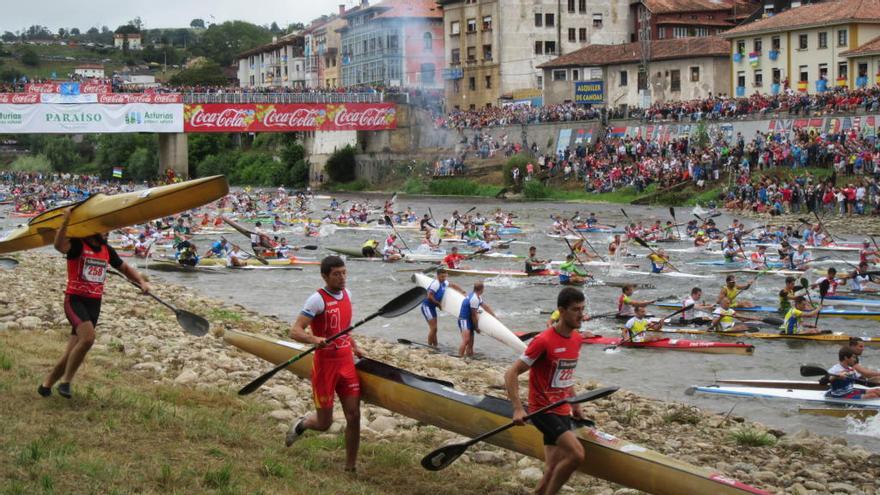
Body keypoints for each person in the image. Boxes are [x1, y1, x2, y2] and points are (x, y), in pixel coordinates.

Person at [39, 207, 150, 399]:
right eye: (103, 229)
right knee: (88, 339)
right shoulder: (77, 245)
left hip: (94, 304)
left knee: (71, 353)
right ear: (90, 229)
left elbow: (125, 268)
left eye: (108, 230)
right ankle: (65, 383)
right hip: (75, 301)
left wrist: (141, 281)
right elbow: (58, 246)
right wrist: (65, 223)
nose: (107, 232)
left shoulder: (107, 250)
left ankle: (46, 385)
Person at [505, 287, 590, 495]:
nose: (581, 314)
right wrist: (517, 409)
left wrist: (576, 405)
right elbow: (511, 373)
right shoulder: (543, 341)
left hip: (562, 410)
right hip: (542, 410)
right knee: (577, 455)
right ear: (561, 311)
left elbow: (565, 377)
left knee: (551, 469)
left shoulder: (577, 339)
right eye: (575, 310)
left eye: (583, 309)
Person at [285, 256, 363, 474]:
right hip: (325, 365)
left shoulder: (348, 294)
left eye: (344, 273)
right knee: (324, 423)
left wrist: (355, 346)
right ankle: (301, 424)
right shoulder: (316, 300)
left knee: (354, 416)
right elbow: (295, 331)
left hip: (346, 363)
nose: (342, 278)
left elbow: (345, 328)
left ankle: (350, 467)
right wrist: (314, 339)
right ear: (325, 276)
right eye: (336, 274)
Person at [422, 268, 465, 347]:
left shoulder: (444, 282)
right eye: (442, 277)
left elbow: (453, 285)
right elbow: (429, 296)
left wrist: (462, 291)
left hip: (432, 307)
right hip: (427, 307)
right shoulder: (436, 284)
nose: (444, 279)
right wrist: (438, 303)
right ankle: (429, 346)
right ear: (437, 276)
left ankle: (435, 345)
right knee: (433, 328)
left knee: (434, 329)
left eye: (445, 277)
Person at [457, 281, 496, 358]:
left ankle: (469, 357)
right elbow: (474, 315)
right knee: (466, 340)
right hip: (464, 320)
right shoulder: (474, 299)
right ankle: (459, 357)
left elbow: (485, 307)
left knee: (471, 343)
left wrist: (494, 317)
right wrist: (476, 327)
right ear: (482, 289)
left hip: (469, 320)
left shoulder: (477, 296)